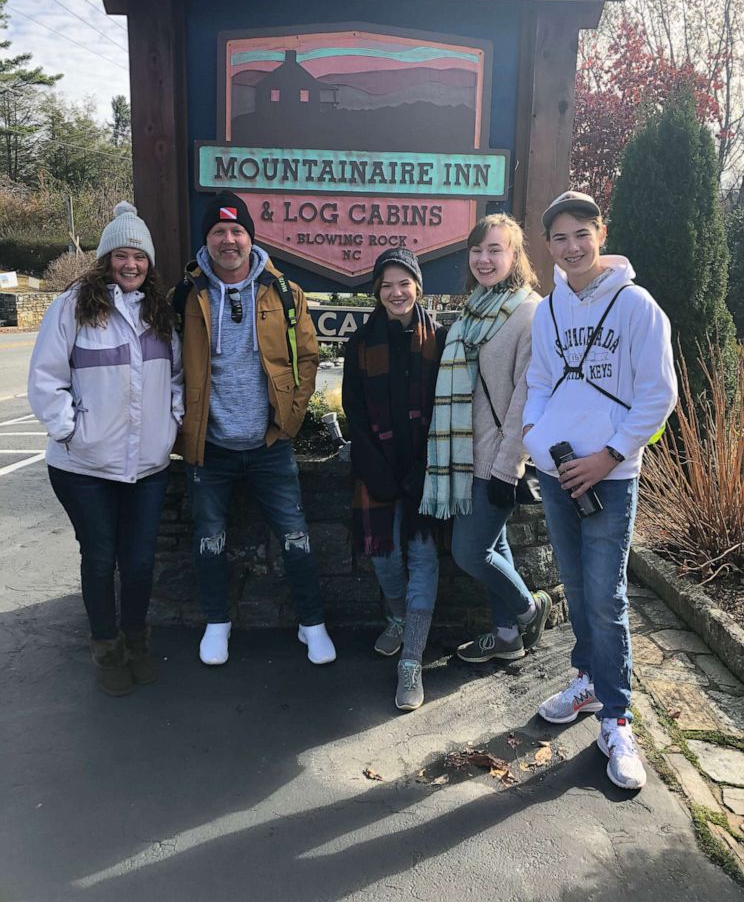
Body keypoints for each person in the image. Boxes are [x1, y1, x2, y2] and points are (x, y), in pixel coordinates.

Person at [523, 189, 677, 791]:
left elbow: (657, 395)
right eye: (558, 238)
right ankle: (589, 681)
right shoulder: (548, 312)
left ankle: (617, 718)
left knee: (607, 598)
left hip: (611, 477)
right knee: (578, 589)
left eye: (580, 234)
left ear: (600, 234)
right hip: (557, 474)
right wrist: (539, 442)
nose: (570, 247)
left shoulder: (638, 306)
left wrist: (610, 455)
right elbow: (538, 381)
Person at [28, 202, 183, 696]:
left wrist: (171, 425)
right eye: (121, 254)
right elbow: (46, 379)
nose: (131, 264)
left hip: (147, 464)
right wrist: (70, 431)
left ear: (149, 261)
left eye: (139, 255)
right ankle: (106, 648)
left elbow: (177, 378)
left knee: (138, 561)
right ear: (105, 259)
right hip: (83, 465)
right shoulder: (72, 306)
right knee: (99, 557)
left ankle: (137, 641)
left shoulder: (161, 311)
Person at [175, 190, 335, 668]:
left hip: (269, 444)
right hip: (211, 445)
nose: (229, 240)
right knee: (208, 540)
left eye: (237, 231)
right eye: (219, 232)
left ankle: (313, 625)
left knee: (296, 537)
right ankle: (217, 624)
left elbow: (308, 357)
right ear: (208, 239)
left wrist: (289, 419)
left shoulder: (284, 291)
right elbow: (166, 361)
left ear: (250, 237)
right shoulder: (186, 294)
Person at [421, 213, 552, 663]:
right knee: (495, 547)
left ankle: (529, 608)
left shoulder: (529, 313)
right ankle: (507, 637)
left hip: (496, 459)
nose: (483, 258)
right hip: (462, 457)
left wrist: (508, 465)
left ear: (514, 256)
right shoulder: (474, 308)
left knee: (469, 553)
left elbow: (526, 398)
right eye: (477, 250)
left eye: (495, 249)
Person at [342, 248, 446, 710]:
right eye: (387, 285)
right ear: (377, 292)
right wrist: (378, 471)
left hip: (427, 467)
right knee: (384, 558)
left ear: (417, 287)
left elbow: (447, 412)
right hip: (378, 469)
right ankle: (400, 618)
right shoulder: (360, 345)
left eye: (404, 283)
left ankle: (412, 662)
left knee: (423, 557)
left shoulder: (441, 342)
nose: (396, 292)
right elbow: (355, 414)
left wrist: (423, 468)